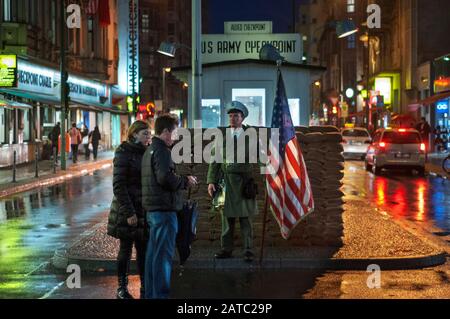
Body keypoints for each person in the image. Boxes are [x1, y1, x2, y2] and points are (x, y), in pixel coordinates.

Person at [141, 114, 197, 299]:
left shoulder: (150, 150)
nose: (176, 137)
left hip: (154, 210)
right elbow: (165, 177)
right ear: (165, 132)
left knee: (152, 257)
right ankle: (160, 295)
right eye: (175, 132)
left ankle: (151, 294)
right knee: (163, 258)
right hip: (164, 211)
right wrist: (184, 181)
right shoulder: (162, 151)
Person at [207, 101, 258, 263]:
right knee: (226, 218)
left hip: (243, 182)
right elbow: (214, 160)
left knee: (245, 219)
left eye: (236, 115)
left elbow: (260, 156)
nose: (232, 118)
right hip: (226, 182)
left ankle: (248, 249)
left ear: (242, 118)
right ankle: (226, 248)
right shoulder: (221, 136)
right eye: (230, 115)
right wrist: (211, 181)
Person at [107, 121, 151, 299]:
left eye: (149, 133)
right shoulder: (124, 152)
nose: (148, 137)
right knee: (125, 249)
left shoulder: (148, 152)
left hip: (144, 209)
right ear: (134, 135)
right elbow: (119, 185)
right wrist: (129, 212)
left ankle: (145, 285)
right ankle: (122, 288)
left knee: (143, 249)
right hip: (128, 209)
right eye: (145, 134)